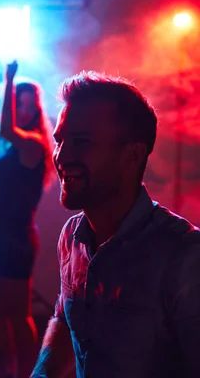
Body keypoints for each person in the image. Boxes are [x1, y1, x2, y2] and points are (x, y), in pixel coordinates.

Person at [31, 72, 200, 378]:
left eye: (82, 142)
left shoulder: (185, 255)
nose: (62, 156)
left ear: (133, 154)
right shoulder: (73, 236)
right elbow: (66, 318)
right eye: (60, 141)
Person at [0, 62, 54, 378]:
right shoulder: (3, 142)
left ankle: (27, 374)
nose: (20, 107)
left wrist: (8, 79)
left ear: (34, 110)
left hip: (16, 237)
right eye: (16, 101)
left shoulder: (32, 143)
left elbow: (5, 129)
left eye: (25, 103)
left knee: (18, 315)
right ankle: (1, 373)